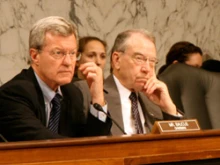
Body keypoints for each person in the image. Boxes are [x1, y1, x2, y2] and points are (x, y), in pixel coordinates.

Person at [0, 16, 111, 142]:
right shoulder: (13, 94)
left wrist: (98, 99)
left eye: (73, 53)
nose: (68, 62)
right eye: (58, 53)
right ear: (35, 56)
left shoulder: (71, 92)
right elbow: (43, 144)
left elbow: (95, 143)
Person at [104, 29, 183, 135]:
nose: (147, 69)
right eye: (139, 59)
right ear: (117, 60)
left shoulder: (155, 98)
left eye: (152, 61)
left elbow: (182, 144)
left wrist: (169, 109)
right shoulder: (94, 96)